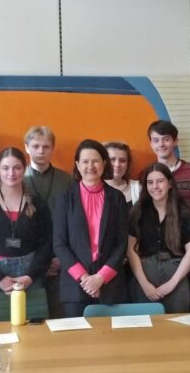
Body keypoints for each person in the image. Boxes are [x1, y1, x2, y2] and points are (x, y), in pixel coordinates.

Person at [53, 140, 128, 317]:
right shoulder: (65, 198)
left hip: (110, 286)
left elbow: (121, 243)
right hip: (75, 287)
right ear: (77, 165)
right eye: (85, 161)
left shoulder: (117, 198)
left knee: (111, 342)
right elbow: (59, 244)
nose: (90, 166)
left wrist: (100, 278)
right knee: (78, 342)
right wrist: (86, 279)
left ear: (104, 163)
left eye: (95, 161)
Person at [0, 147, 52, 303]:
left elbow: (46, 244)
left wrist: (30, 276)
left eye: (17, 168)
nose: (11, 173)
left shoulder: (38, 204)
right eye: (6, 168)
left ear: (24, 168)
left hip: (29, 276)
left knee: (32, 326)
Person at [127, 163, 190, 313]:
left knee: (177, 326)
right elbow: (131, 250)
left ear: (170, 183)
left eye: (160, 181)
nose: (155, 186)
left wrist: (173, 283)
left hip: (176, 276)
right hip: (145, 276)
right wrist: (144, 284)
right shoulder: (137, 212)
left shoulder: (184, 212)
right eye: (150, 182)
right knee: (146, 327)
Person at [24, 126, 72, 317]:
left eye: (46, 147)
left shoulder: (66, 180)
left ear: (53, 148)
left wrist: (61, 258)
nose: (41, 151)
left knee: (59, 314)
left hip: (60, 256)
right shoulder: (18, 178)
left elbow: (72, 221)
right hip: (28, 258)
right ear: (26, 147)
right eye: (35, 146)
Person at [147, 120, 190, 215]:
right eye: (156, 140)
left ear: (175, 142)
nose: (161, 144)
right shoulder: (146, 175)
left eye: (166, 139)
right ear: (151, 144)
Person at [104, 141, 141, 206]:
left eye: (122, 161)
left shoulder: (138, 188)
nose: (117, 164)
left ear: (127, 164)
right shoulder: (94, 188)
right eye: (112, 159)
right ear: (103, 162)